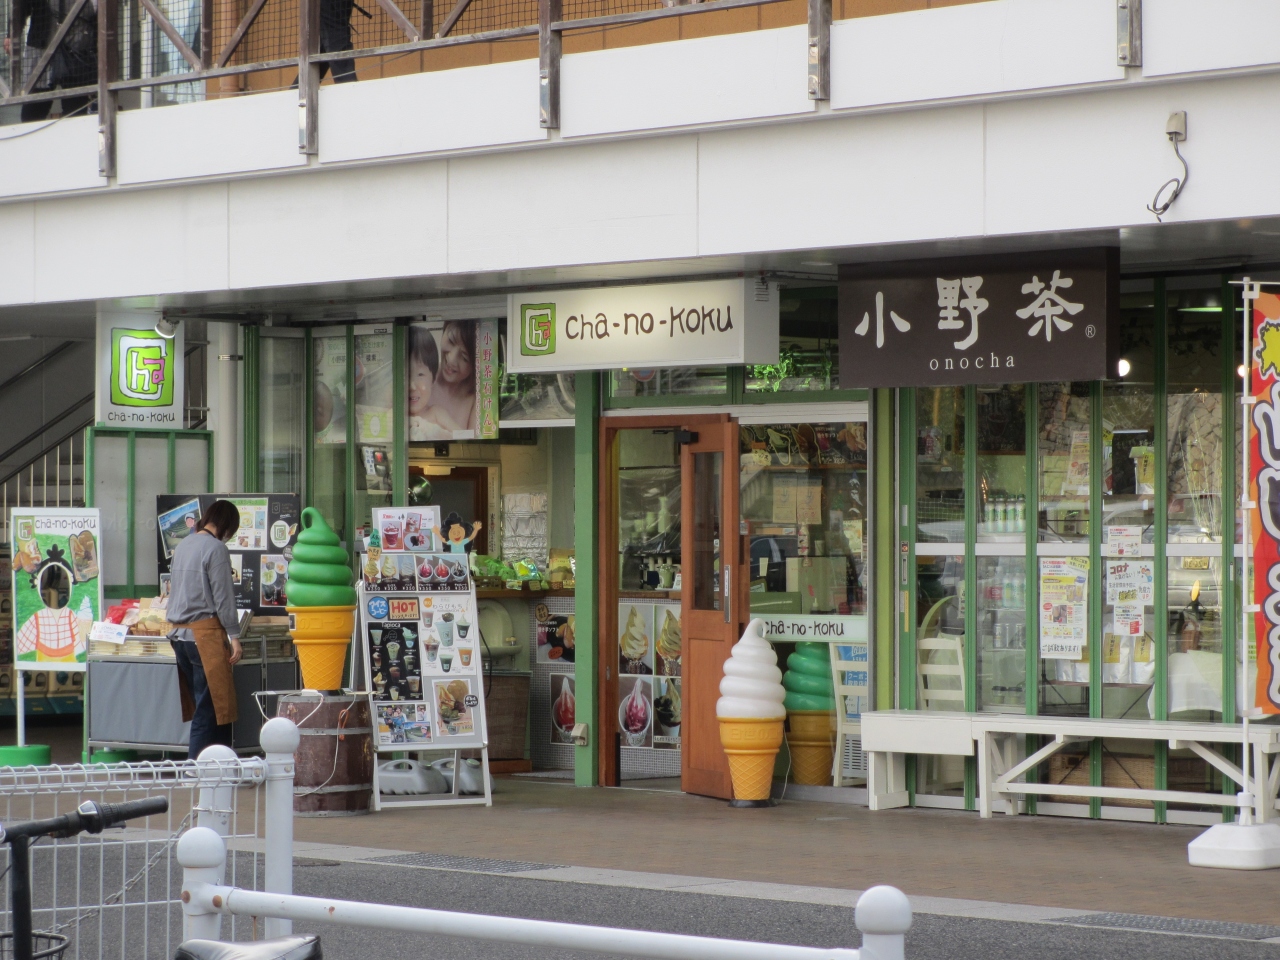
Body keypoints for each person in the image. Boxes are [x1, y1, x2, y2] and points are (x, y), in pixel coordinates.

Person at [166, 500, 243, 758]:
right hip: (205, 637)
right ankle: (195, 767)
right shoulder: (216, 548)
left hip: (180, 637)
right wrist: (235, 636)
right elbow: (223, 597)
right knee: (208, 709)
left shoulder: (183, 545)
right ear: (227, 526)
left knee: (209, 705)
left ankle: (220, 764)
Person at [423, 321, 478, 434]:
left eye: (465, 358)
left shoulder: (477, 398)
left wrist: (441, 419)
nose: (451, 359)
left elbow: (475, 444)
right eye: (451, 341)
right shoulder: (418, 379)